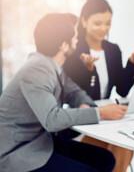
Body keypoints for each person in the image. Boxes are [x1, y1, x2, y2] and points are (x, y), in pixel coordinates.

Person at [0, 13, 126, 172]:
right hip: (21, 152)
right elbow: (52, 119)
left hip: (43, 143)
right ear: (64, 45)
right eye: (74, 37)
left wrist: (84, 104)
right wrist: (99, 113)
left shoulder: (52, 66)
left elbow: (73, 92)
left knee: (105, 159)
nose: (77, 40)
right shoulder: (36, 69)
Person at [63, 0, 134, 172]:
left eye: (107, 24)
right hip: (84, 121)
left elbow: (122, 89)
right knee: (115, 143)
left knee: (126, 141)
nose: (103, 29)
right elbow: (76, 95)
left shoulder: (112, 49)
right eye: (97, 23)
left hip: (108, 119)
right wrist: (88, 70)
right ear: (84, 21)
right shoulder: (73, 51)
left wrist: (133, 59)